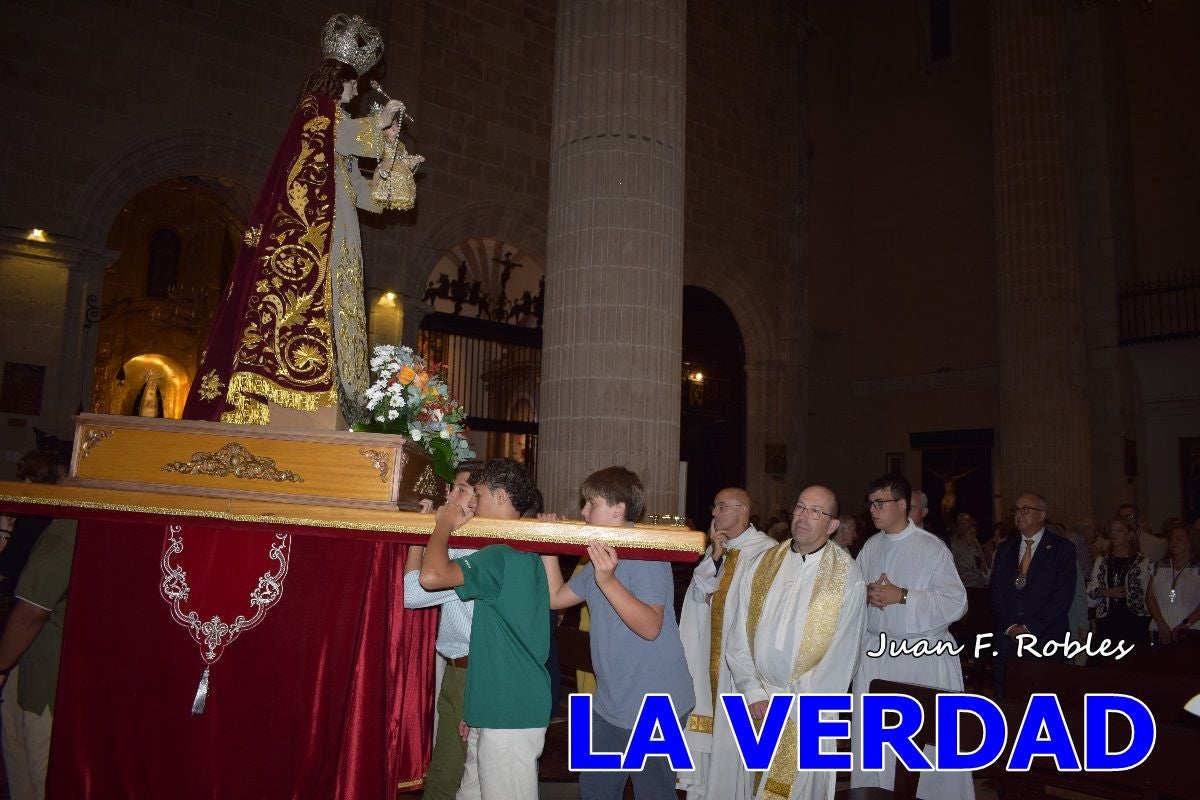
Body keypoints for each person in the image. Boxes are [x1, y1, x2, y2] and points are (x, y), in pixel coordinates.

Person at [183, 13, 410, 427]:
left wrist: (390, 163)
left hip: (341, 241)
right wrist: (379, 123)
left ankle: (341, 392)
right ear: (335, 76)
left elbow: (364, 196)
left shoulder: (337, 130)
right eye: (351, 80)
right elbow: (342, 134)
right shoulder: (316, 110)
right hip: (315, 242)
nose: (356, 88)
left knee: (343, 315)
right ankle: (304, 385)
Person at [542, 466, 694, 800]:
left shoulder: (646, 554)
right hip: (611, 701)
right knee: (595, 791)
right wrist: (547, 546)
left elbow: (650, 628)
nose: (582, 511)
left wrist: (607, 581)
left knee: (653, 793)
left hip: (657, 703)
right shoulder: (599, 554)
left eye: (590, 503)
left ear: (618, 510)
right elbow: (557, 598)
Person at [714, 485, 866, 800]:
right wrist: (754, 691)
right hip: (757, 703)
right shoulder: (764, 563)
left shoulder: (847, 575)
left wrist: (794, 707)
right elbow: (738, 633)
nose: (803, 517)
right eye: (800, 507)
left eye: (815, 511)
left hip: (806, 711)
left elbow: (843, 654)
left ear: (832, 525)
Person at [418, 458, 553, 800]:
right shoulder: (528, 548)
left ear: (502, 496)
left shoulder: (499, 554)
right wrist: (475, 708)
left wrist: (443, 526)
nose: (473, 503)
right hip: (495, 702)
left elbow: (430, 577)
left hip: (509, 707)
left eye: (478, 494)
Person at [850, 473, 971, 799]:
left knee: (926, 750)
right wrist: (866, 595)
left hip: (921, 659)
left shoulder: (931, 548)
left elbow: (956, 603)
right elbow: (853, 597)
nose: (872, 510)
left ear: (902, 505)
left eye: (880, 503)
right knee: (879, 745)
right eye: (870, 503)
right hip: (878, 657)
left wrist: (902, 595)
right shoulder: (871, 547)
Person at [677, 488, 775, 800]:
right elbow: (698, 592)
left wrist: (718, 599)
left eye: (721, 507)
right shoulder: (720, 548)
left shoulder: (766, 551)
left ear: (742, 510)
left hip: (740, 664)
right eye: (715, 506)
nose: (714, 513)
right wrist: (715, 555)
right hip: (710, 653)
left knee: (734, 742)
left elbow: (761, 607)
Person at [403, 460, 481, 799]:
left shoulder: (475, 550)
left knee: (449, 771)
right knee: (448, 764)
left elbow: (414, 593)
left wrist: (431, 531)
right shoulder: (461, 541)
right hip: (454, 666)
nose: (450, 495)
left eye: (461, 490)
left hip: (471, 670)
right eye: (452, 488)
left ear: (479, 500)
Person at [0, 518, 76, 800]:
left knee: (40, 776)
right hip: (41, 666)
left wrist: (1, 666)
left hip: (48, 673)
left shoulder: (70, 527)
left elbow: (32, 613)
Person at [990, 493, 1076, 696]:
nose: (1019, 514)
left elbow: (1061, 598)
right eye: (1017, 510)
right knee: (1006, 703)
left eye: (1025, 509)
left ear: (1042, 515)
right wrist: (1011, 626)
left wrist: (1029, 628)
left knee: (1043, 704)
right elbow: (996, 593)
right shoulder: (1005, 549)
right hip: (1008, 641)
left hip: (1045, 640)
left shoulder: (1062, 549)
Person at [1087, 517, 1151, 652]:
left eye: (1119, 531)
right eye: (1112, 531)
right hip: (1108, 620)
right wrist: (1106, 592)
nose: (1114, 534)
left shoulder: (1142, 561)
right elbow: (1091, 590)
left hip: (1134, 621)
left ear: (1130, 535)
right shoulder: (1102, 560)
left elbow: (1146, 593)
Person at [1146, 523, 1200, 643]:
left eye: (1179, 539)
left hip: (1191, 632)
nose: (1173, 542)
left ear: (1191, 542)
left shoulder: (1197, 569)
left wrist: (1186, 624)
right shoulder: (1158, 567)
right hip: (1159, 631)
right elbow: (1149, 598)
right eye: (1171, 539)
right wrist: (1161, 623)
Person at [950, 512, 989, 589]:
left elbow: (982, 562)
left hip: (979, 585)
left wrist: (984, 567)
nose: (974, 537)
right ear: (963, 533)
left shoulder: (975, 543)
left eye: (975, 533)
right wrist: (978, 572)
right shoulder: (954, 545)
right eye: (971, 534)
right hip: (965, 588)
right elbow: (955, 572)